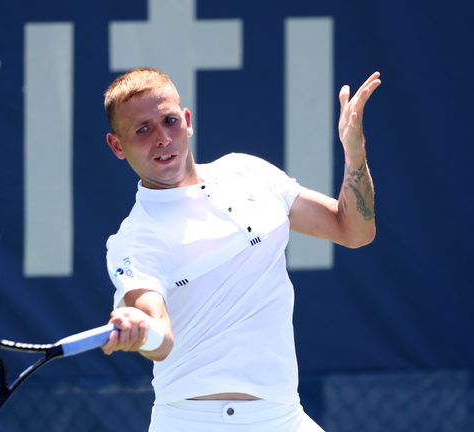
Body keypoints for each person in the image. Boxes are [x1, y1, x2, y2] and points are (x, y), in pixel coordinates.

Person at [100, 67, 380, 431]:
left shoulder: (248, 172)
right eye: (143, 129)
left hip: (284, 417)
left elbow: (354, 230)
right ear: (117, 145)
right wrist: (143, 327)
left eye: (169, 121)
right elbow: (161, 338)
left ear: (187, 121)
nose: (162, 138)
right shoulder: (135, 241)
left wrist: (354, 153)